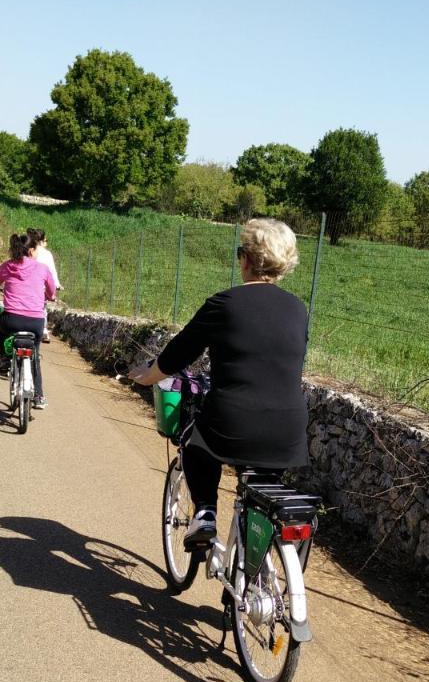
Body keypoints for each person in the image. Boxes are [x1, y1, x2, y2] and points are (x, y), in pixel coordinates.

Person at [128, 218, 308, 548]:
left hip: (233, 420)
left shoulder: (224, 304)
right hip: (289, 429)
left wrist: (147, 375)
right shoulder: (299, 309)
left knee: (196, 444)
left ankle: (206, 513)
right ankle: (250, 572)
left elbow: (176, 356)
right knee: (260, 496)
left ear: (247, 259)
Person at [0, 232, 57, 409]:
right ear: (31, 250)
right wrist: (50, 296)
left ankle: (3, 359)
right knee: (35, 356)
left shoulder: (8, 266)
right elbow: (52, 291)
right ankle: (39, 396)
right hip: (35, 323)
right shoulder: (42, 268)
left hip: (12, 321)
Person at [27, 228, 61, 343]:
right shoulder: (47, 254)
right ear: (42, 240)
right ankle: (44, 330)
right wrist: (56, 284)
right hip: (42, 288)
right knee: (42, 309)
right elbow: (52, 271)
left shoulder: (27, 250)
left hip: (27, 286)